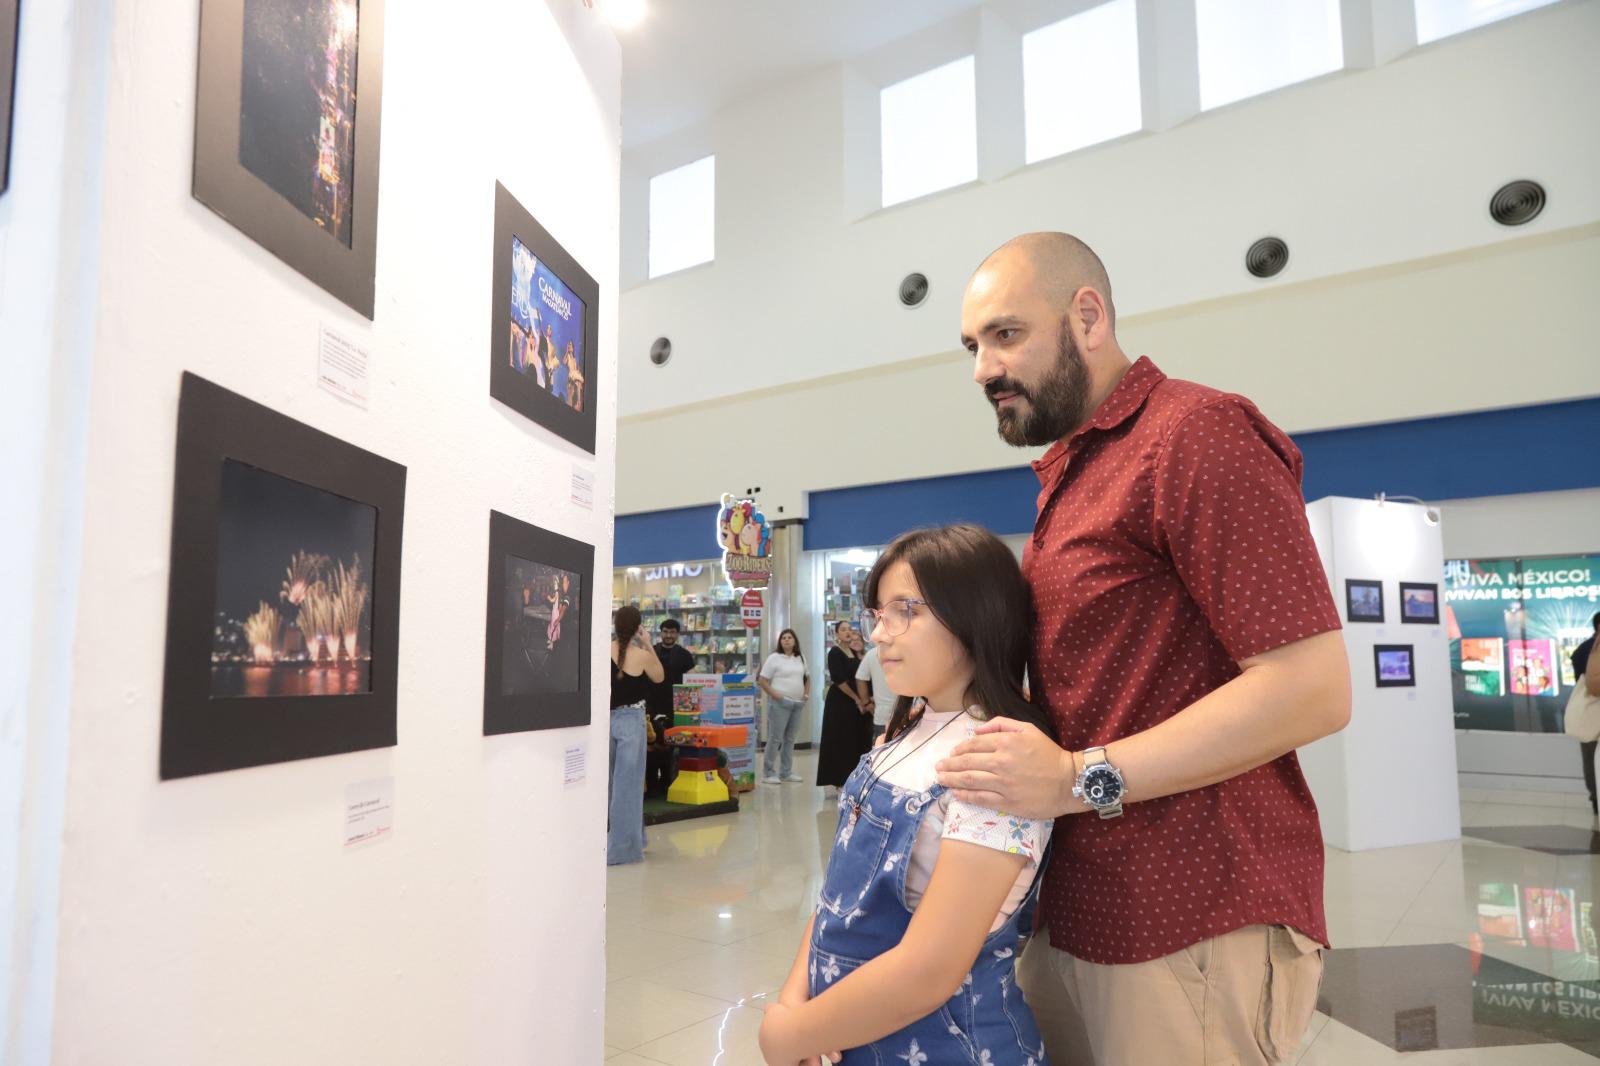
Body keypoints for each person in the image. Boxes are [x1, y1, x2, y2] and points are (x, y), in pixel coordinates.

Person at [937, 232, 1352, 1066]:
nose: (983, 368)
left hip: (1193, 915)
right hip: (1082, 909)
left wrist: (1075, 777)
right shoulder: (1075, 471)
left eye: (1007, 335)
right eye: (972, 346)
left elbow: (1312, 687)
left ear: (1087, 316)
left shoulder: (1196, 435)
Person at [758, 524, 1055, 1066]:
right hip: (846, 1032)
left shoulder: (996, 759)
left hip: (952, 1045)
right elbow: (835, 901)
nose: (878, 635)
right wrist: (795, 1005)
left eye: (905, 611)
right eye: (878, 614)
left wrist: (789, 1035)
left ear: (974, 615)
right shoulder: (908, 726)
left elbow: (930, 970)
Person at [609, 606, 663, 866]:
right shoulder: (641, 655)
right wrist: (648, 643)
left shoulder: (603, 650)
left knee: (612, 785)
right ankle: (624, 848)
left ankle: (633, 838)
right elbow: (659, 676)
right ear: (638, 627)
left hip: (606, 720)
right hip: (632, 721)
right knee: (628, 787)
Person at [645, 619, 699, 797]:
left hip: (676, 708)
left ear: (677, 634)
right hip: (652, 706)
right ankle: (651, 785)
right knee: (652, 745)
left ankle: (669, 783)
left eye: (672, 632)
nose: (669, 635)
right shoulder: (651, 651)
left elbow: (692, 680)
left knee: (671, 746)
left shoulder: (685, 655)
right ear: (660, 632)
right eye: (665, 631)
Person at [815, 622, 872, 790]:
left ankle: (853, 777)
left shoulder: (854, 653)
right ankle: (839, 779)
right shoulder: (835, 652)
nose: (847, 633)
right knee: (840, 739)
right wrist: (857, 698)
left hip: (857, 704)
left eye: (849, 629)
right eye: (843, 630)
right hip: (841, 702)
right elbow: (839, 680)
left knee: (854, 740)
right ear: (837, 634)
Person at [758, 628, 811, 784]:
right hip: (780, 703)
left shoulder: (800, 657)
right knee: (775, 738)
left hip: (797, 704)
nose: (786, 640)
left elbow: (807, 678)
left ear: (795, 641)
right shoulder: (774, 658)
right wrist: (775, 694)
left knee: (790, 739)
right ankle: (768, 772)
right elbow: (762, 680)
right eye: (783, 638)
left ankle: (786, 772)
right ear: (780, 642)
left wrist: (806, 695)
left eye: (790, 637)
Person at [1564, 611, 1600, 815]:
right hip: (1594, 713)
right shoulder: (1591, 649)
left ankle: (1595, 797)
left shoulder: (1583, 649)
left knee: (1590, 757)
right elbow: (1593, 685)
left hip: (1589, 715)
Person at [855, 640, 896, 740]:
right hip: (904, 713)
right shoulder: (873, 653)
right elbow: (860, 678)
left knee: (883, 751)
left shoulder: (872, 653)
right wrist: (866, 702)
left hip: (883, 715)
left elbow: (860, 677)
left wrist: (866, 702)